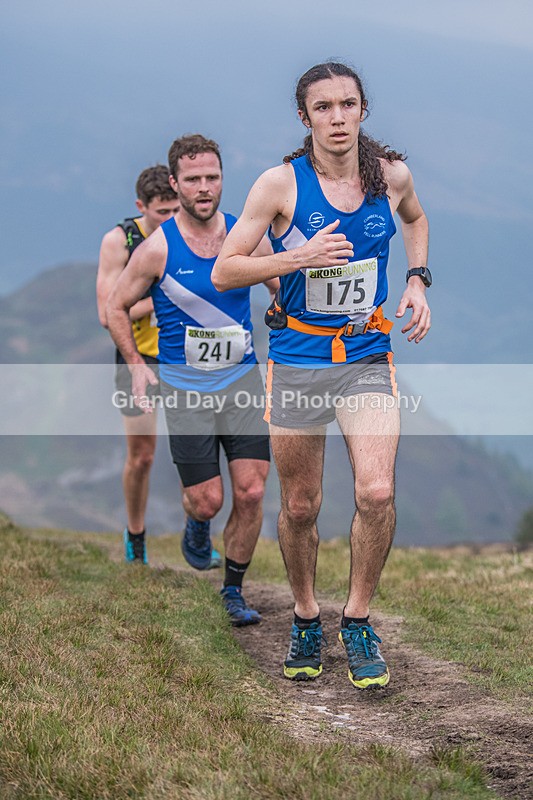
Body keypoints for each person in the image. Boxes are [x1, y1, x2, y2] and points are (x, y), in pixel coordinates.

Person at [212, 62, 431, 685]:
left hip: (365, 354)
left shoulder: (391, 177)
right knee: (302, 505)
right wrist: (297, 256)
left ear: (363, 110)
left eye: (347, 105)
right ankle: (306, 615)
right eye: (323, 107)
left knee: (377, 491)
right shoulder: (279, 186)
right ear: (304, 117)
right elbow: (226, 270)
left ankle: (357, 619)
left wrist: (417, 279)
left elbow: (414, 219)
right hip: (300, 361)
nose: (337, 118)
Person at [106, 134, 278, 626]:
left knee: (250, 492)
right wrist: (138, 366)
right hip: (186, 390)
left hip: (243, 383)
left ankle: (232, 589)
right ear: (176, 184)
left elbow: (279, 282)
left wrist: (287, 308)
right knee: (209, 500)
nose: (205, 188)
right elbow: (116, 308)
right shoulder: (157, 250)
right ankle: (196, 521)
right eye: (194, 179)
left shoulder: (242, 236)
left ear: (222, 179)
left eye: (212, 178)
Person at [97, 165, 185, 565]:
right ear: (141, 207)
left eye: (175, 209)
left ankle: (198, 530)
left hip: (185, 355)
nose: (170, 219)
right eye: (161, 213)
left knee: (195, 449)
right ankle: (135, 535)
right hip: (138, 357)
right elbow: (107, 312)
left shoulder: (193, 230)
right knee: (143, 455)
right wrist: (163, 296)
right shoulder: (119, 242)